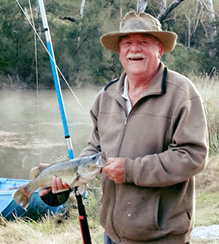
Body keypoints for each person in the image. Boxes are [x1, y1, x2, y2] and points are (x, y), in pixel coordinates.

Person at [40, 11, 208, 244]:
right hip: (112, 232)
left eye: (143, 42)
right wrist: (66, 178)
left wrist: (131, 170)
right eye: (127, 43)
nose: (134, 49)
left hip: (161, 236)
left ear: (159, 49)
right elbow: (94, 148)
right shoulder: (106, 96)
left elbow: (193, 156)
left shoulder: (182, 93)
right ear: (119, 53)